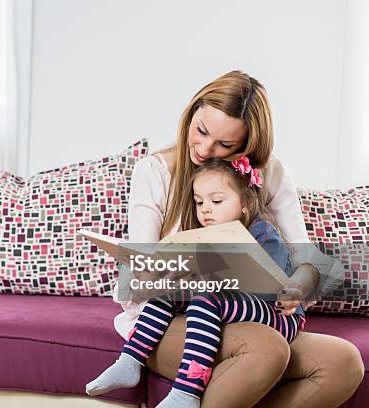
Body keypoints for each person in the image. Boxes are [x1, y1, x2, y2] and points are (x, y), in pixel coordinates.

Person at [105, 71, 363, 407]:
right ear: (192, 112)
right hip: (171, 319)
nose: (205, 148)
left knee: (343, 361)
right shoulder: (153, 172)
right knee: (266, 348)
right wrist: (159, 271)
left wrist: (299, 285)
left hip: (246, 312)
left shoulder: (266, 172)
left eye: (226, 145)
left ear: (248, 145)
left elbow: (307, 259)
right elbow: (136, 275)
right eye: (201, 131)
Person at [86, 157, 307, 407]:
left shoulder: (263, 234)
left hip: (278, 314)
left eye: (216, 201)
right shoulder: (205, 235)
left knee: (208, 297)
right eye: (199, 202)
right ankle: (129, 361)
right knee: (168, 292)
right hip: (236, 305)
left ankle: (187, 392)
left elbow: (278, 283)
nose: (205, 209)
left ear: (245, 202)